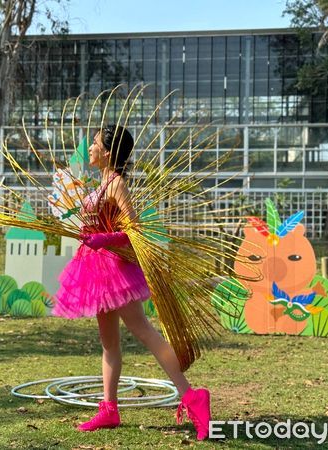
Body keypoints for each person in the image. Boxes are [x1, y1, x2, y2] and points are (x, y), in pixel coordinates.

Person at [51, 125, 211, 440]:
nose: (91, 148)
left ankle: (192, 396)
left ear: (108, 152)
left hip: (114, 267)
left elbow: (133, 230)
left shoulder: (118, 185)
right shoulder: (101, 183)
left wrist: (103, 238)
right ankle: (109, 409)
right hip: (95, 268)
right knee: (108, 342)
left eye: (95, 143)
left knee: (144, 332)